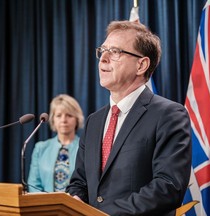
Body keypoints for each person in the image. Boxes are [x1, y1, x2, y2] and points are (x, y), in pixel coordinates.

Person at [66, 20, 192, 216]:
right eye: (103, 50)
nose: (103, 58)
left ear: (141, 65)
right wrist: (74, 201)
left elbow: (168, 187)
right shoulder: (94, 121)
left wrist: (102, 214)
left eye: (115, 52)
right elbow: (79, 182)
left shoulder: (169, 114)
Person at [28, 94, 84, 192]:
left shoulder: (85, 148)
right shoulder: (40, 148)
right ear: (53, 119)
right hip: (45, 205)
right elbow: (33, 185)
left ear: (77, 119)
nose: (63, 120)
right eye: (59, 115)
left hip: (76, 205)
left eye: (69, 115)